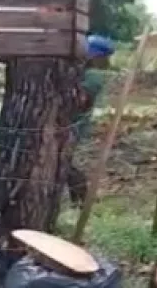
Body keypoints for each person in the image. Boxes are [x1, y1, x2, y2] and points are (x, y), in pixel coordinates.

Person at [67, 34, 115, 205]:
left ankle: (81, 196)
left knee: (63, 162)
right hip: (69, 124)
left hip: (74, 124)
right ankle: (78, 198)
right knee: (63, 161)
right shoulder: (84, 71)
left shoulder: (93, 75)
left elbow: (81, 101)